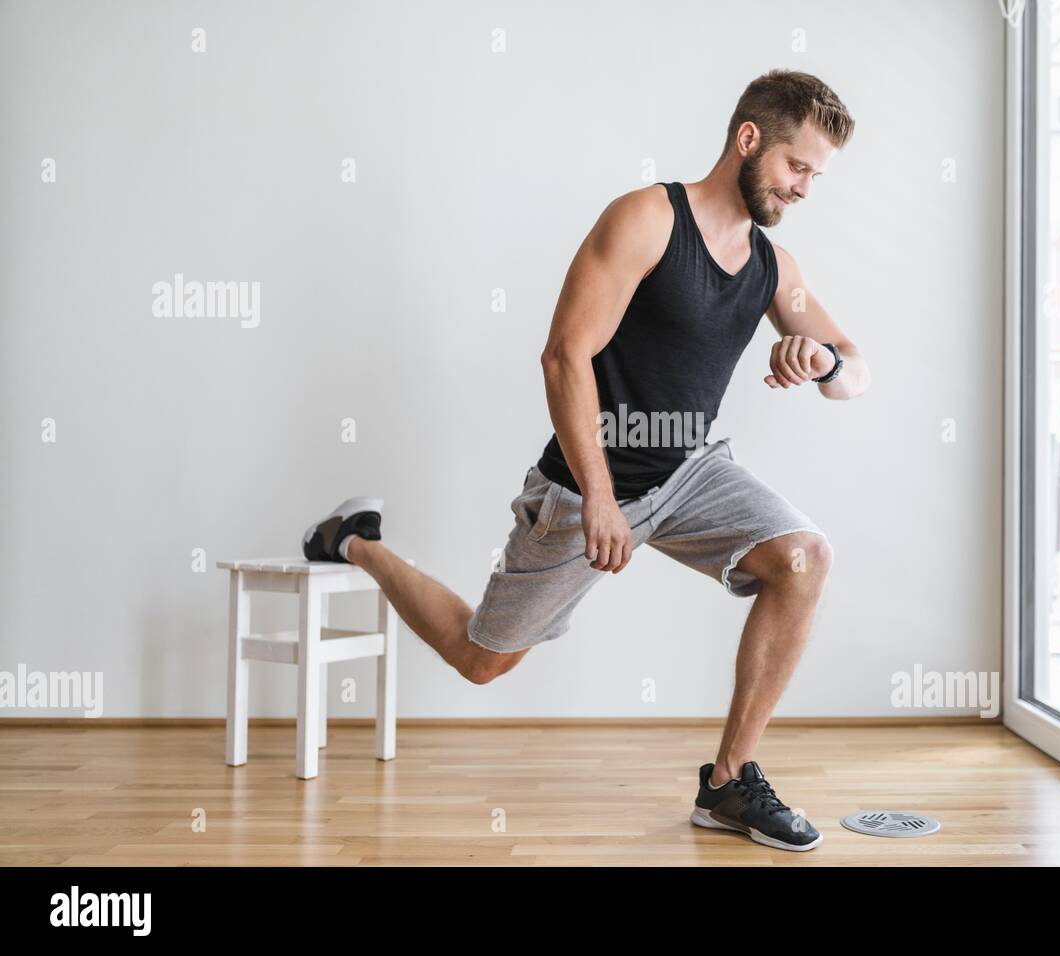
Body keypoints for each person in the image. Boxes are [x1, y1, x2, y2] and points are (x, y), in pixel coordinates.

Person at [302, 69, 865, 851]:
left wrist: (821, 361)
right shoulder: (646, 219)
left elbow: (853, 369)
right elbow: (566, 356)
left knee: (804, 557)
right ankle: (355, 541)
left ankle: (729, 781)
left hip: (690, 471)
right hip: (586, 479)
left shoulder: (775, 269)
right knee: (480, 660)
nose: (804, 188)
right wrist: (599, 496)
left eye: (816, 176)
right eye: (796, 167)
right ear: (748, 140)